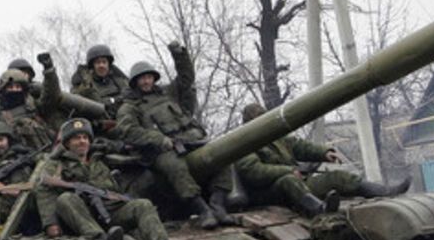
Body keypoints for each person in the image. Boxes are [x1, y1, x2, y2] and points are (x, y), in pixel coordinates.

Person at [34, 119, 188, 240]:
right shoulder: (56, 164)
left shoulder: (98, 161)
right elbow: (44, 191)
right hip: (82, 218)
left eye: (85, 138)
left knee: (143, 205)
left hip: (110, 213)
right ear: (67, 143)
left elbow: (114, 189)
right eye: (76, 138)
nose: (82, 141)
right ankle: (100, 239)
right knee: (65, 198)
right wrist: (50, 223)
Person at [115, 42, 234, 228]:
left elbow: (186, 79)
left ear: (153, 78)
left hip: (192, 140)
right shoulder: (130, 107)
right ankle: (202, 210)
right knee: (176, 168)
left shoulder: (168, 93)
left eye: (149, 77)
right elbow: (128, 131)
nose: (146, 82)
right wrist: (159, 139)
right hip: (160, 151)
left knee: (222, 155)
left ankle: (218, 204)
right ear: (135, 82)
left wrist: (180, 55)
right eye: (142, 79)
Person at [235, 103, 410, 213]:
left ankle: (385, 192)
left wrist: (324, 153)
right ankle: (320, 209)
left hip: (298, 185)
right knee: (288, 180)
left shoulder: (276, 138)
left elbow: (300, 146)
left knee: (338, 177)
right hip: (268, 193)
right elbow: (253, 172)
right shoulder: (241, 145)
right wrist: (289, 170)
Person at [71, 44, 127, 116]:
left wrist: (112, 101)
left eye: (104, 62)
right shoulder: (84, 84)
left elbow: (129, 97)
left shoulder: (120, 80)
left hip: (121, 119)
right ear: (92, 66)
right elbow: (77, 101)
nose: (101, 65)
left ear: (108, 64)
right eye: (98, 62)